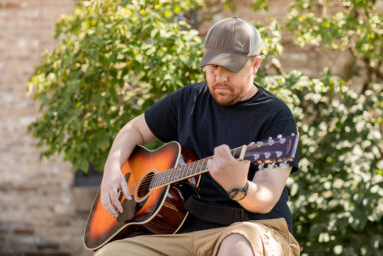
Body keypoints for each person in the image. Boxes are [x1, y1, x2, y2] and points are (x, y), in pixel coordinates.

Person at [96, 17, 300, 256]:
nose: (220, 78)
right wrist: (111, 172)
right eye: (213, 68)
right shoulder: (188, 100)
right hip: (184, 230)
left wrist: (239, 186)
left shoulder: (276, 117)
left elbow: (266, 197)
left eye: (231, 69)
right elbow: (134, 129)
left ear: (255, 64)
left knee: (236, 248)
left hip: (252, 228)